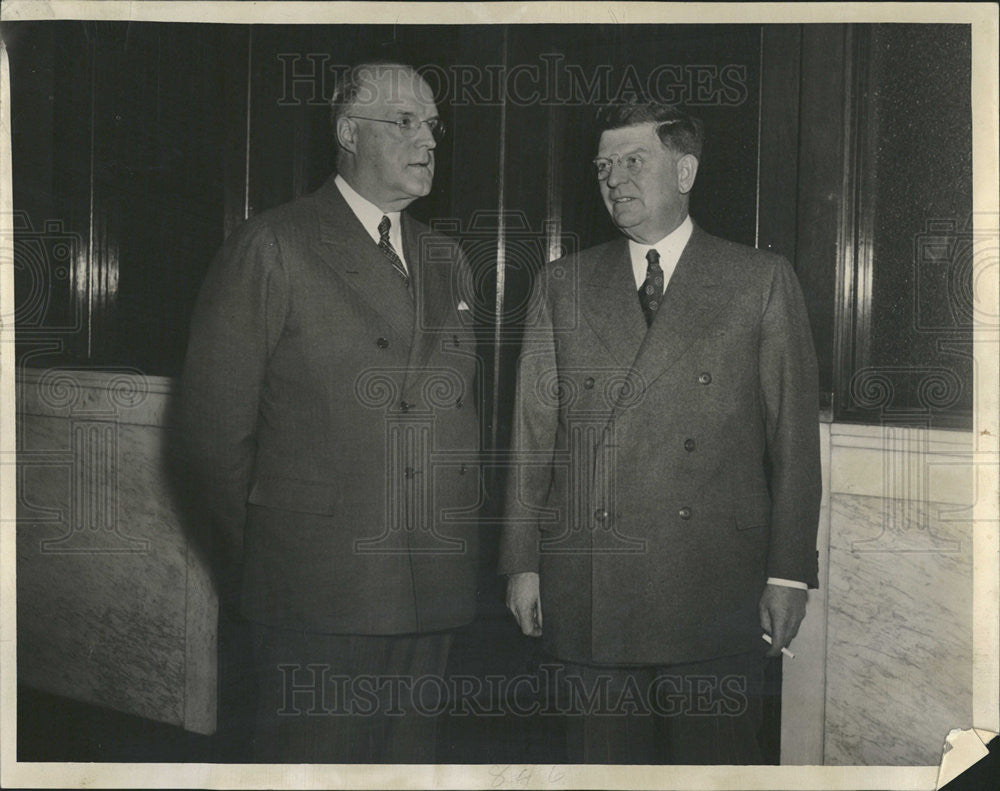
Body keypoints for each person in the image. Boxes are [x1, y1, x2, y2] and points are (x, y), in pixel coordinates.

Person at [500, 100, 821, 764]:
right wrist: (522, 560)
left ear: (685, 170)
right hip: (592, 584)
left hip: (714, 589)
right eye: (603, 165)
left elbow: (793, 440)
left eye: (633, 160)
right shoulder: (562, 285)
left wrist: (790, 572)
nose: (614, 178)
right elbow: (533, 436)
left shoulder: (759, 280)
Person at [179, 61, 480, 763]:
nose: (429, 139)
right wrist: (272, 556)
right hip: (317, 594)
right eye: (405, 121)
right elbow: (209, 440)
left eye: (433, 124)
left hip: (432, 590)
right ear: (348, 132)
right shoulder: (273, 246)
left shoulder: (449, 258)